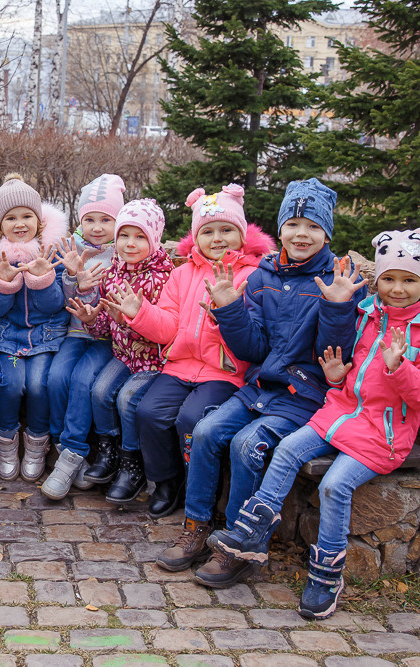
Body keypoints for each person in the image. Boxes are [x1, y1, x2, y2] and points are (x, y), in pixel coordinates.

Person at [206, 226, 420, 619]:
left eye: (409, 280)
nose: (397, 289)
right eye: (389, 278)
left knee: (335, 485)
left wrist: (400, 368)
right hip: (339, 412)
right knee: (287, 450)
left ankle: (326, 575)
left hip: (383, 434)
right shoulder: (369, 314)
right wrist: (337, 376)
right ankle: (253, 531)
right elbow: (352, 372)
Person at [157, 177, 367, 588]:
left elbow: (333, 357)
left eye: (313, 227)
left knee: (245, 444)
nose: (301, 234)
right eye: (293, 224)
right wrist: (230, 308)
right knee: (205, 431)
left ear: (326, 233)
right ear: (280, 227)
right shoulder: (264, 274)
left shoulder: (337, 279)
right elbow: (253, 348)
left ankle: (239, 545)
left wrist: (338, 307)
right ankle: (197, 527)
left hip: (304, 394)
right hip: (261, 386)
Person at [115, 185, 274, 518]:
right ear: (195, 237)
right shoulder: (181, 274)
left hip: (225, 371)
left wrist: (225, 312)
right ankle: (165, 480)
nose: (217, 238)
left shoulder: (253, 276)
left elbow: (254, 336)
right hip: (180, 365)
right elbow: (168, 325)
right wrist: (140, 312)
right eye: (208, 231)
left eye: (226, 230)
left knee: (191, 419)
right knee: (147, 412)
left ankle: (197, 484)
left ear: (242, 234)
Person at [50, 199, 174, 501]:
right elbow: (106, 325)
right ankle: (107, 453)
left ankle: (131, 463)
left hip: (152, 360)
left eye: (140, 236)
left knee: (126, 398)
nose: (130, 244)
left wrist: (131, 321)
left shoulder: (161, 277)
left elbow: (164, 333)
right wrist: (94, 320)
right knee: (99, 390)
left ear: (154, 239)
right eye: (124, 236)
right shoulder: (115, 271)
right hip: (123, 355)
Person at [0, 174, 67, 481]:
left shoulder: (51, 253)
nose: (20, 223)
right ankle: (4, 444)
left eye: (27, 216)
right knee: (12, 383)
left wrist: (42, 278)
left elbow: (54, 306)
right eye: (11, 218)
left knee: (40, 384)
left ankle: (36, 444)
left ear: (39, 221)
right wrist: (2, 282)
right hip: (8, 342)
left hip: (45, 340)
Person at [47, 174, 123, 488]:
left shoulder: (123, 250)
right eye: (89, 219)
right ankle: (60, 446)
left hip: (106, 337)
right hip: (75, 331)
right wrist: (72, 277)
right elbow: (63, 299)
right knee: (56, 377)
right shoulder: (71, 249)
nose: (96, 227)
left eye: (106, 219)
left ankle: (74, 450)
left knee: (82, 380)